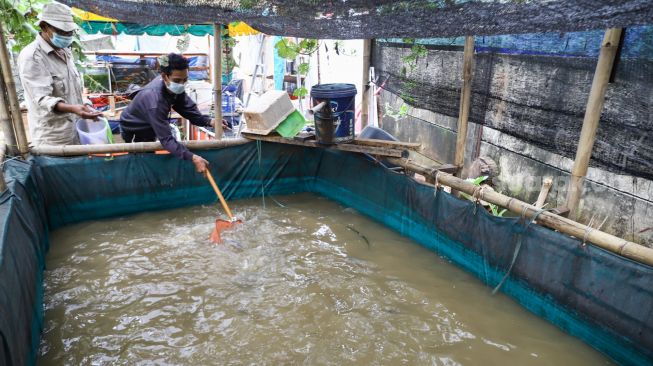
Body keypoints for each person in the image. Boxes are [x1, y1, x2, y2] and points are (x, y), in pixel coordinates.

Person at [18, 2, 102, 146]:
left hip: (75, 130)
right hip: (54, 137)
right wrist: (74, 109)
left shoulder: (65, 52)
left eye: (69, 32)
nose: (67, 35)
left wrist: (84, 105)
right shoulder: (32, 56)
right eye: (62, 31)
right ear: (44, 27)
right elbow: (42, 99)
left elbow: (72, 91)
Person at [119, 53, 216, 173]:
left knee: (149, 155)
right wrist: (193, 157)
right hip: (134, 127)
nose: (181, 84)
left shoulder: (173, 87)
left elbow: (188, 110)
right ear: (164, 77)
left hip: (149, 124)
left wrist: (210, 121)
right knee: (140, 160)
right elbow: (166, 140)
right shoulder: (155, 101)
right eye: (177, 80)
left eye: (185, 80)